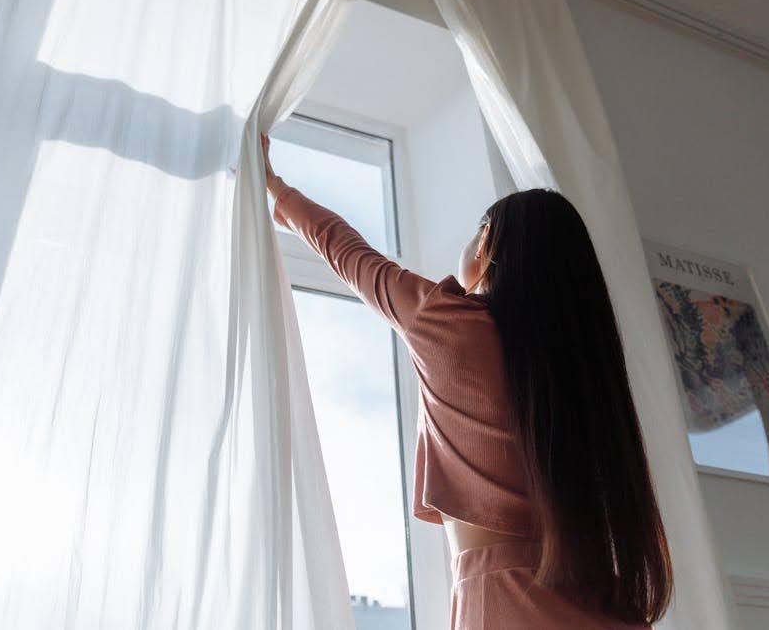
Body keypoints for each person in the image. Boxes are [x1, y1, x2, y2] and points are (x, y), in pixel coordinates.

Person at [261, 134, 673, 629]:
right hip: (597, 599)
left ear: (486, 245)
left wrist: (276, 188)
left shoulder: (449, 323)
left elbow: (351, 254)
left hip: (501, 601)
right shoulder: (580, 370)